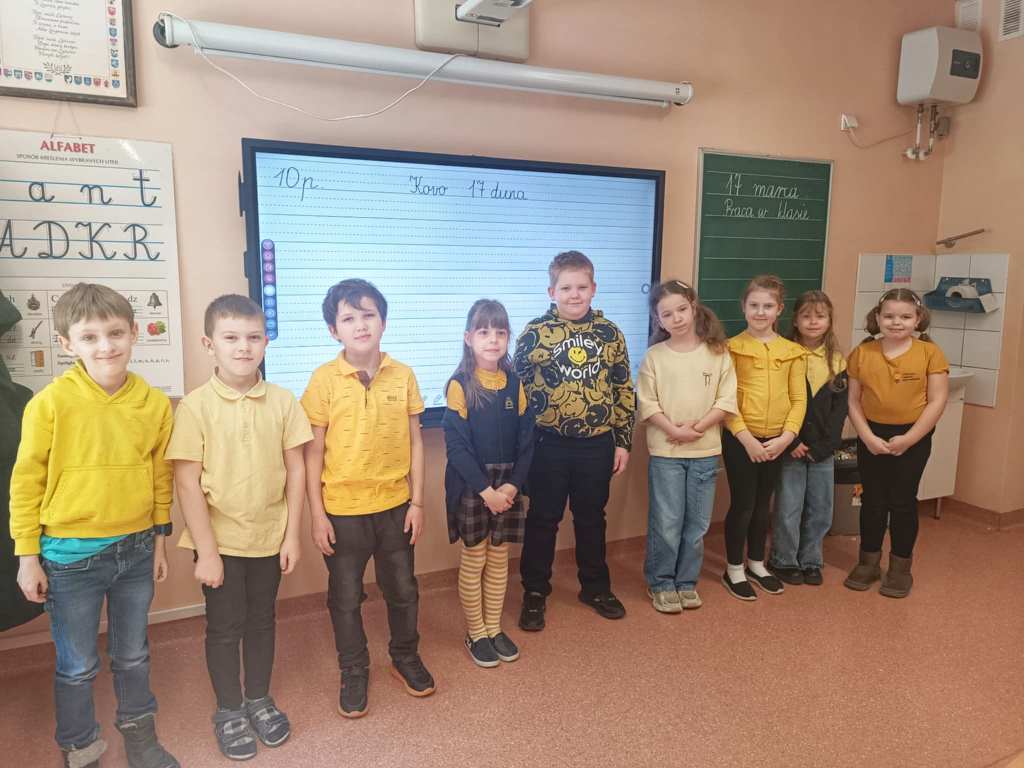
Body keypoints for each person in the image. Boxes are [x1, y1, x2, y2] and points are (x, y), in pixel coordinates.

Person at [10, 283, 178, 768]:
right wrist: (27, 556)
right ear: (68, 344)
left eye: (115, 333)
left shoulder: (152, 403)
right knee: (78, 665)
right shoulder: (49, 404)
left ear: (134, 333)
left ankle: (140, 739)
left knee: (133, 655)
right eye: (89, 337)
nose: (106, 346)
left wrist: (160, 541)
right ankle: (81, 746)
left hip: (137, 550)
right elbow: (26, 482)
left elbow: (159, 476)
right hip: (70, 559)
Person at [167, 295, 312, 759]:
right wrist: (207, 552)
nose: (243, 347)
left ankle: (259, 699)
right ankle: (229, 709)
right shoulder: (195, 407)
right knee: (225, 627)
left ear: (266, 342)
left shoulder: (283, 401)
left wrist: (291, 535)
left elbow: (296, 470)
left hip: (269, 537)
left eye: (253, 338)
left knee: (262, 621)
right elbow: (186, 483)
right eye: (231, 338)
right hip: (221, 543)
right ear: (209, 344)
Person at [301, 278, 434, 719]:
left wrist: (418, 502)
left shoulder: (403, 374)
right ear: (333, 330)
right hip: (342, 512)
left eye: (368, 315)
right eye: (348, 318)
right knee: (345, 597)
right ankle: (354, 668)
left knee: (403, 590)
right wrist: (317, 516)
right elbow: (313, 452)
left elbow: (416, 442)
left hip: (396, 506)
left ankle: (405, 656)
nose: (360, 325)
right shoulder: (323, 380)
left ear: (383, 321)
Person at [514, 250, 636, 630]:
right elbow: (515, 388)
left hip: (596, 444)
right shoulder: (534, 333)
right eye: (566, 288)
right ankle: (535, 592)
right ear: (552, 291)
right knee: (543, 518)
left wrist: (623, 441)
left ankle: (595, 588)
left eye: (582, 287)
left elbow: (623, 388)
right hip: (547, 444)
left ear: (593, 288)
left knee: (591, 518)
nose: (574, 294)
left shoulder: (610, 333)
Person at [442, 299, 534, 667]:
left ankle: (494, 628)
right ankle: (476, 632)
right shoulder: (460, 385)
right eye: (483, 332)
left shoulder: (515, 383)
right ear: (469, 338)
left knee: (499, 558)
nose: (492, 339)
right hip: (473, 486)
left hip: (507, 485)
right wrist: (486, 491)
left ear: (508, 337)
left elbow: (528, 442)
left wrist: (512, 487)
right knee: (475, 557)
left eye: (500, 332)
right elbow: (456, 448)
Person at [637, 280, 736, 614]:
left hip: (705, 452)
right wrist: (673, 431)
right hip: (666, 453)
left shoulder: (717, 352)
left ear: (693, 307)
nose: (676, 318)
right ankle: (661, 582)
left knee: (697, 524)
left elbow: (726, 400)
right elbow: (647, 403)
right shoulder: (654, 357)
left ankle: (686, 581)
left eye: (682, 309)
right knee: (667, 521)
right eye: (667, 314)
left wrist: (697, 428)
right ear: (658, 319)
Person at [844, 288, 948, 598]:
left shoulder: (930, 353)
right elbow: (853, 400)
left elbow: (937, 400)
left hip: (914, 436)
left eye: (905, 316)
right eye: (888, 316)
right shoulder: (863, 353)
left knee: (902, 501)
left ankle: (900, 568)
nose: (896, 322)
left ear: (918, 319)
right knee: (873, 500)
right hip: (871, 434)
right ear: (877, 318)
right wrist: (867, 437)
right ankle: (868, 562)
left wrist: (910, 439)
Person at [721, 275, 807, 602]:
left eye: (768, 306)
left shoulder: (793, 352)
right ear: (743, 307)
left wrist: (787, 437)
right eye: (754, 305)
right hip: (742, 440)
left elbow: (799, 399)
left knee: (762, 505)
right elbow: (727, 401)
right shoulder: (731, 348)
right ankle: (734, 569)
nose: (760, 312)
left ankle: (756, 563)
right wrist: (747, 439)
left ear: (779, 309)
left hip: (777, 441)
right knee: (743, 504)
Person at [769, 290, 848, 586]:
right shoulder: (785, 354)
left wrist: (826, 446)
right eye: (806, 316)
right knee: (788, 507)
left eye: (820, 316)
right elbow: (778, 401)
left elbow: (840, 410)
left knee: (821, 509)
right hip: (791, 446)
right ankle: (783, 559)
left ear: (829, 321)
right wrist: (792, 441)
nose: (813, 322)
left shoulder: (837, 362)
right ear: (795, 320)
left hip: (823, 451)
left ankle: (811, 560)